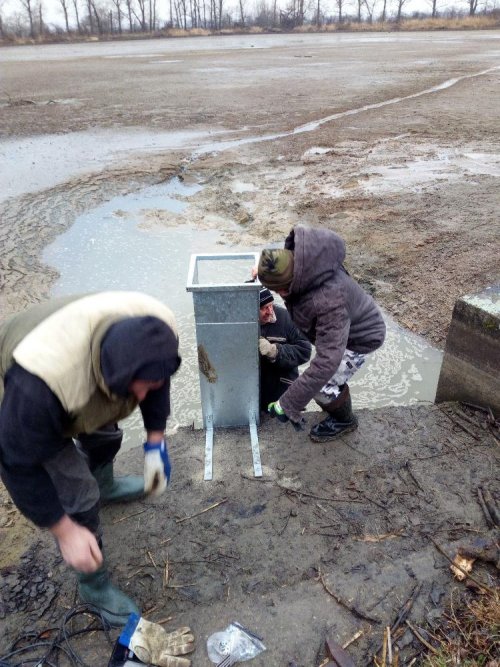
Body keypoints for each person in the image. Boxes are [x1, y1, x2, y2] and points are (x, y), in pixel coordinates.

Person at [0, 291, 181, 626]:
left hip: (87, 364)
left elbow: (156, 381)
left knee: (108, 435)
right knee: (78, 493)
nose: (143, 396)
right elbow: (16, 462)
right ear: (114, 374)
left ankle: (106, 484)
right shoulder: (39, 385)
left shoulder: (157, 331)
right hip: (19, 375)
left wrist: (155, 441)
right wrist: (65, 530)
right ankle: (93, 585)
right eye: (137, 388)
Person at [257, 225, 386, 442]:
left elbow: (326, 363)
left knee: (323, 384)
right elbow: (275, 262)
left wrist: (287, 404)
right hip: (346, 322)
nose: (278, 296)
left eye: (279, 290)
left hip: (360, 338)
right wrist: (263, 271)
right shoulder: (305, 262)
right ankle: (337, 399)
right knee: (324, 378)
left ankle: (345, 421)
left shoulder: (328, 303)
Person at [258, 287, 312, 411]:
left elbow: (305, 351)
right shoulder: (240, 323)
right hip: (253, 394)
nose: (270, 311)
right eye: (264, 308)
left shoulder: (287, 318)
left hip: (282, 392)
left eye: (271, 305)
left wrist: (275, 351)